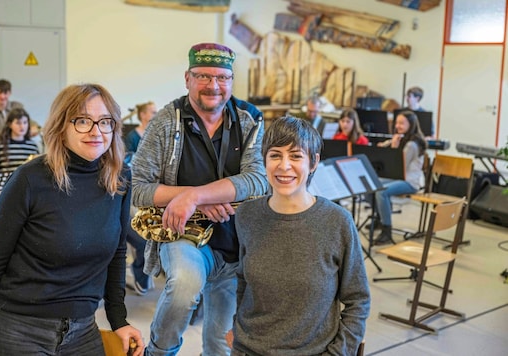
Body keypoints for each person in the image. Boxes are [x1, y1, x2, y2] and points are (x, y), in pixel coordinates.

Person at [0, 83, 144, 356]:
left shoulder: (119, 179)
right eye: (83, 121)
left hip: (82, 329)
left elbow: (117, 253)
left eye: (105, 121)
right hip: (18, 328)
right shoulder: (29, 179)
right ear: (61, 127)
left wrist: (119, 321)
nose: (96, 131)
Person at [131, 42, 267, 356]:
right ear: (187, 78)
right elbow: (137, 187)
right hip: (183, 235)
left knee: (221, 344)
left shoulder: (250, 119)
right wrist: (194, 203)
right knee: (184, 286)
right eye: (203, 76)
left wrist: (193, 196)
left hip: (236, 243)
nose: (213, 86)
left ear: (232, 81)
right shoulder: (166, 122)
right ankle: (159, 351)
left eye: (222, 77)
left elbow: (257, 180)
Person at [229, 116, 370, 355]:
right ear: (264, 161)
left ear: (313, 162)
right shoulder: (247, 214)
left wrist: (339, 352)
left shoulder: (337, 222)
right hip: (248, 348)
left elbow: (358, 300)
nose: (284, 166)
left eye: (296, 156)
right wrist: (237, 331)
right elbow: (244, 281)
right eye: (275, 155)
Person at [373, 110, 427, 245]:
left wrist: (393, 147)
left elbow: (397, 166)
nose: (397, 126)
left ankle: (387, 230)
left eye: (402, 123)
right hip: (398, 178)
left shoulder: (412, 144)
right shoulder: (404, 138)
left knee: (381, 191)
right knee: (370, 184)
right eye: (397, 122)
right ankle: (380, 217)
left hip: (410, 182)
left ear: (411, 124)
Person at [124, 101, 157, 296]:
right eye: (152, 112)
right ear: (143, 115)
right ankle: (140, 272)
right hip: (135, 190)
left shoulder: (156, 135)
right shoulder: (132, 137)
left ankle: (146, 271)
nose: (155, 115)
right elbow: (129, 162)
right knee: (141, 236)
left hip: (153, 187)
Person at [0, 107, 40, 172]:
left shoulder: (33, 147)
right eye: (18, 123)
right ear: (10, 124)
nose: (22, 126)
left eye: (25, 122)